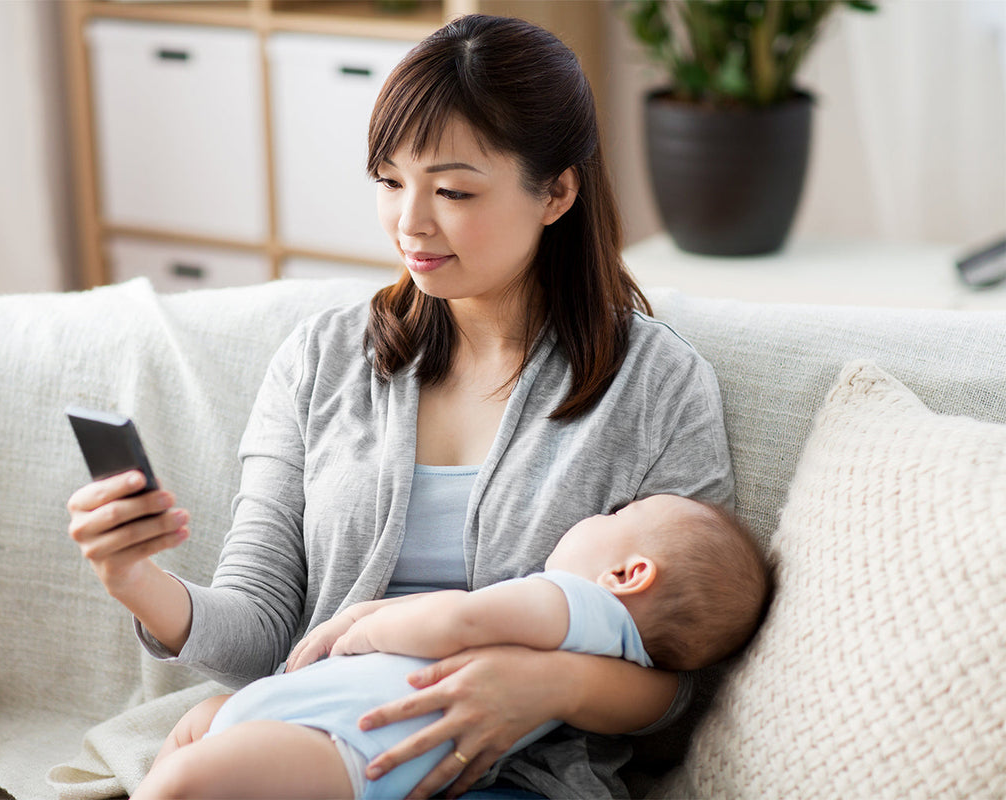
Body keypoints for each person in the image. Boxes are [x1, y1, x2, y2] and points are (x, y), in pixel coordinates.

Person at [66, 13, 734, 799]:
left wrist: (546, 686)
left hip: (524, 777)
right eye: (389, 181)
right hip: (327, 742)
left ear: (556, 191)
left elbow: (682, 681)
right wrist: (136, 579)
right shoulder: (320, 363)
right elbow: (263, 630)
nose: (410, 223)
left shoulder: (656, 386)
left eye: (453, 190)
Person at [132, 494, 770, 800]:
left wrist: (366, 627)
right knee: (201, 729)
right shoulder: (600, 642)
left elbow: (458, 621)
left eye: (613, 516)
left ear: (628, 574)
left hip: (349, 745)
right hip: (327, 723)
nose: (596, 516)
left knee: (187, 775)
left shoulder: (576, 602)